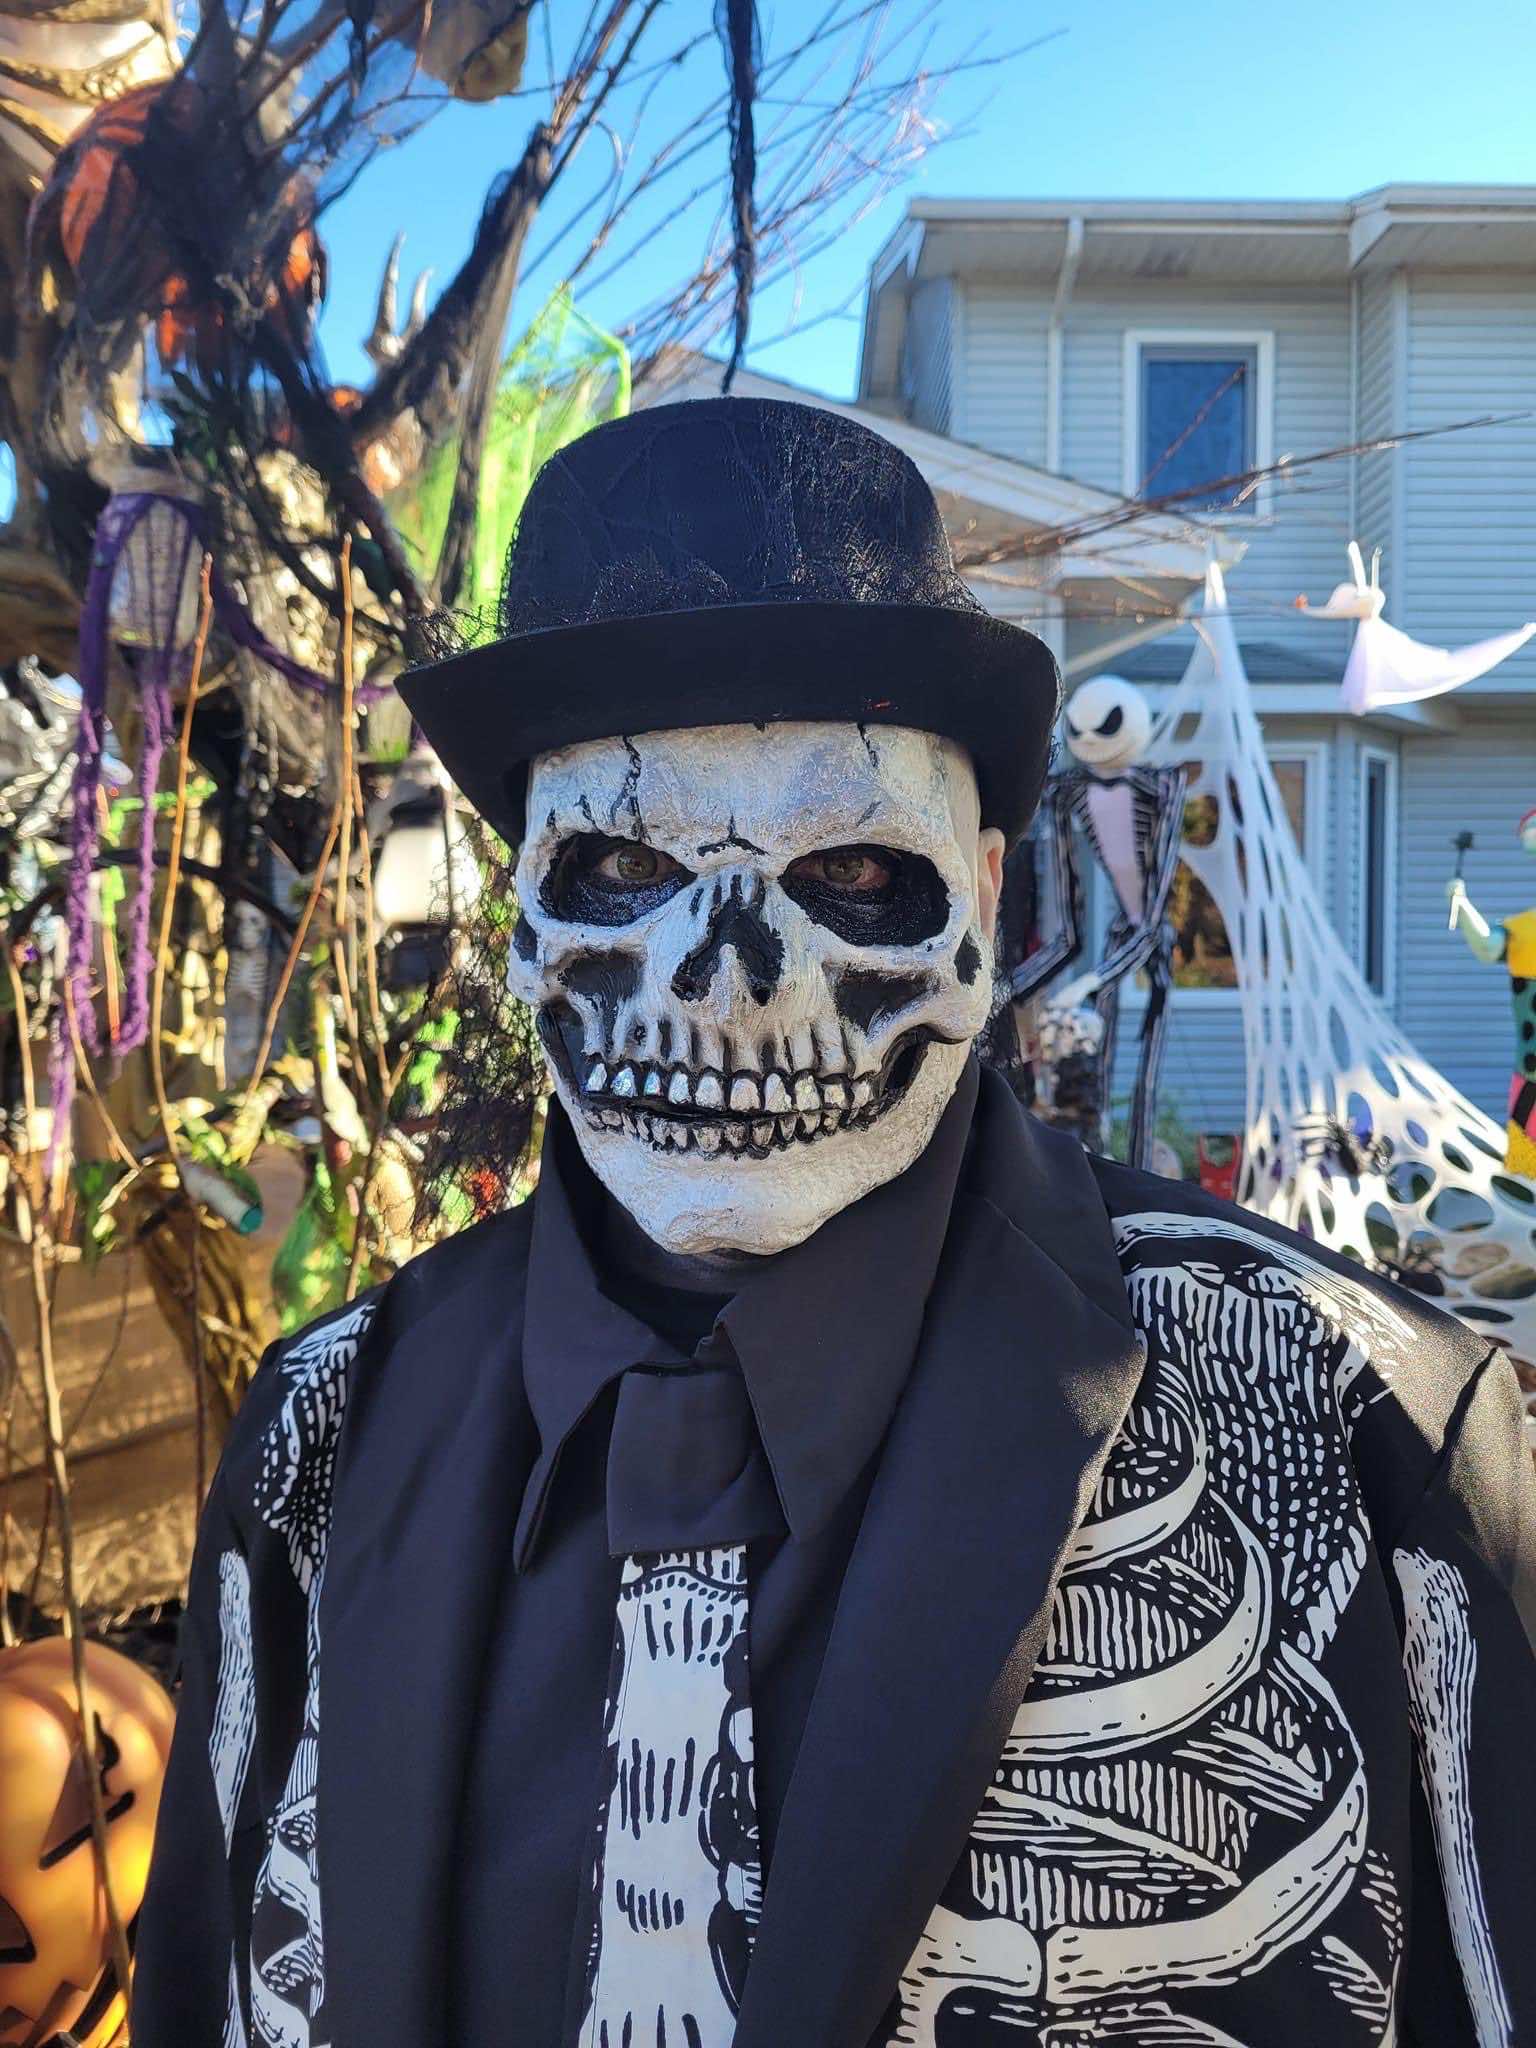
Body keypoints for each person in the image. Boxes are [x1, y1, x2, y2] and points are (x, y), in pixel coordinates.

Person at [134, 398, 1536, 2048]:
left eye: (858, 881)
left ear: (986, 906)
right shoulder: (319, 1432)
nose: (730, 987)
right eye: (621, 872)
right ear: (522, 925)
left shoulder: (1359, 1411)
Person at [1448, 806, 1536, 1175]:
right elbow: (1487, 946)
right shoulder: (1525, 930)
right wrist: (1463, 905)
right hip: (1530, 1072)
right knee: (1527, 1165)